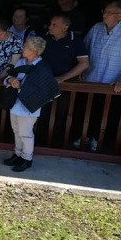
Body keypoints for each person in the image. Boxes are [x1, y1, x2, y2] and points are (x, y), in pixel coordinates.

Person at [2, 36, 59, 172]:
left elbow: (45, 89)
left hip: (28, 106)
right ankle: (17, 154)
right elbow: (8, 77)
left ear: (35, 51)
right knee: (16, 131)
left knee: (25, 133)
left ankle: (26, 159)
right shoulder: (21, 62)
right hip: (15, 103)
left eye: (26, 47)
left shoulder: (42, 67)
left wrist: (24, 87)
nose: (23, 49)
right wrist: (11, 80)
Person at [78, 0, 121, 151]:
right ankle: (85, 137)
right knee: (87, 112)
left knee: (108, 115)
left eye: (109, 12)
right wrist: (81, 69)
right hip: (91, 80)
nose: (104, 15)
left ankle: (100, 142)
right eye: (104, 11)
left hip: (111, 84)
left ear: (119, 15)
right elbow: (83, 49)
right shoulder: (97, 28)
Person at [39, 14, 89, 146]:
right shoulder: (43, 37)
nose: (50, 27)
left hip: (65, 86)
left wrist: (63, 78)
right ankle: (38, 144)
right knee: (41, 113)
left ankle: (56, 145)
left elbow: (84, 63)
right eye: (50, 23)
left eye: (54, 25)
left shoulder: (75, 40)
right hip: (43, 84)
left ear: (65, 27)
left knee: (61, 115)